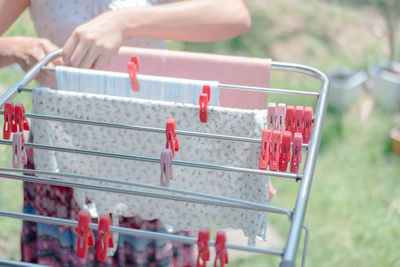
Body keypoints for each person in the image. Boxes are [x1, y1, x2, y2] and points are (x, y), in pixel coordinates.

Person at [0, 0, 251, 266]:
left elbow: (233, 14)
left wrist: (122, 21)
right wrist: (15, 48)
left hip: (151, 162)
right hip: (65, 162)